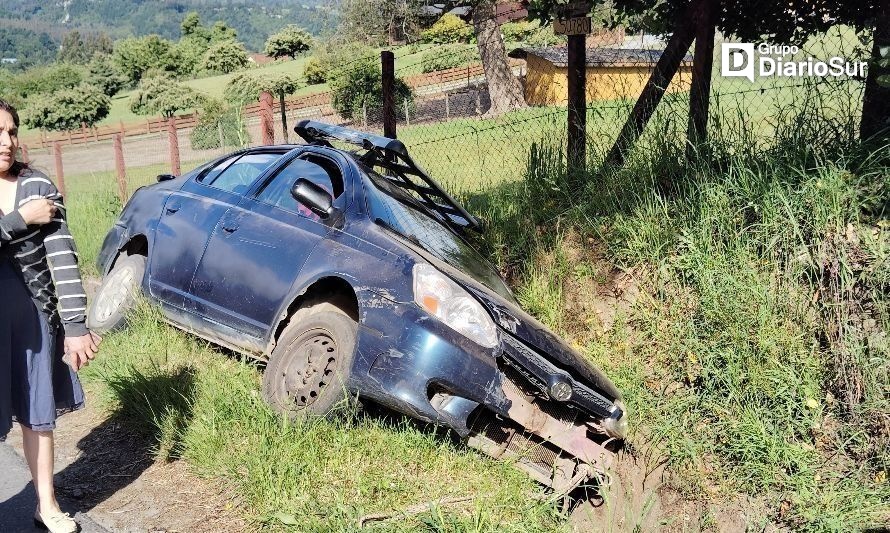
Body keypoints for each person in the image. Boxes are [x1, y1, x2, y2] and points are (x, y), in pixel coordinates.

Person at [0, 99, 100, 533]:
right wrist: (18, 221)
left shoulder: (37, 184)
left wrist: (75, 327)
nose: (7, 141)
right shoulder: (27, 206)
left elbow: (63, 258)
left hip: (33, 320)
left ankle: (47, 504)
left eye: (11, 131)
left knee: (38, 415)